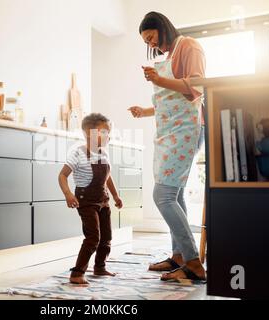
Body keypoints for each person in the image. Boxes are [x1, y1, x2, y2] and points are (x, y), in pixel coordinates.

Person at [128, 12, 206, 282]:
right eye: (147, 43)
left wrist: (158, 80)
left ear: (161, 28)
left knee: (163, 195)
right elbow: (170, 102)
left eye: (151, 38)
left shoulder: (189, 46)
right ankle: (179, 257)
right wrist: (145, 111)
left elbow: (196, 87)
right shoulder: (171, 55)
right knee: (176, 195)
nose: (152, 45)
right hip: (172, 130)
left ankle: (194, 263)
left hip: (187, 130)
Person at [58, 113, 123, 285]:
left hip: (103, 199)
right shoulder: (78, 153)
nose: (108, 135)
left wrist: (115, 195)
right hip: (85, 200)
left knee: (106, 236)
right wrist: (68, 194)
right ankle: (77, 273)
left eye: (108, 132)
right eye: (104, 132)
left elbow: (107, 177)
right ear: (89, 134)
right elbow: (63, 175)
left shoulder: (104, 153)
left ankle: (100, 267)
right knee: (93, 237)